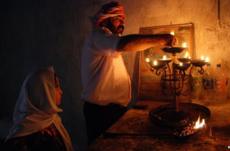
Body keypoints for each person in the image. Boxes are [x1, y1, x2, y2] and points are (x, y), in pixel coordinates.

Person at [81, 1, 176, 144]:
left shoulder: (107, 43)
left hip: (113, 111)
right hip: (101, 113)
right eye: (118, 19)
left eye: (123, 21)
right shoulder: (98, 37)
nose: (122, 25)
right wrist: (162, 39)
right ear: (105, 20)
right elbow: (125, 43)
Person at [4, 67, 73, 151]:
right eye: (56, 87)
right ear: (43, 92)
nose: (61, 91)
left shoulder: (53, 120)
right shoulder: (25, 140)